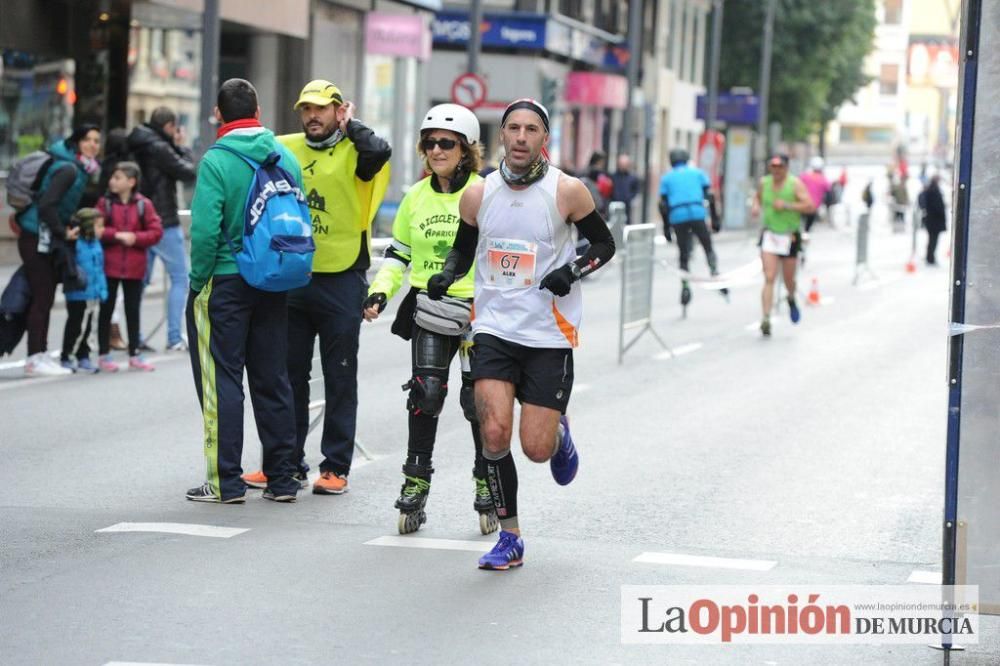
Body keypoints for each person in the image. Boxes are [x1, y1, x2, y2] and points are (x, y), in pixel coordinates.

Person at [427, 99, 616, 570]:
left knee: (534, 448)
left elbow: (606, 244)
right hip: (493, 327)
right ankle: (509, 536)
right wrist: (446, 275)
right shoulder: (478, 193)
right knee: (493, 433)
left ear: (543, 139)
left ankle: (559, 435)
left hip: (549, 333)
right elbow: (464, 249)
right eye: (513, 128)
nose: (521, 137)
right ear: (502, 136)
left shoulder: (567, 191)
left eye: (532, 129)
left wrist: (571, 272)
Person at [240, 79, 391, 496]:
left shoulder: (358, 153)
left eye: (322, 109)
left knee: (340, 375)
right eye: (306, 109)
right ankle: (283, 463)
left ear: (338, 111)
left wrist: (352, 124)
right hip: (294, 276)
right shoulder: (287, 146)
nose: (312, 116)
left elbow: (381, 151)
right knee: (287, 375)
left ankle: (335, 466)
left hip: (342, 276)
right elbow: (247, 146)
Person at [362, 103, 498, 535]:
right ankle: (416, 484)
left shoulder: (485, 193)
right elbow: (399, 252)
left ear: (466, 149)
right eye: (430, 143)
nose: (436, 150)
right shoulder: (415, 197)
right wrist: (381, 290)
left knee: (477, 403)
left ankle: (487, 484)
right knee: (426, 394)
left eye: (446, 143)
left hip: (480, 308)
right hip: (430, 308)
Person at [184, 78, 304, 504]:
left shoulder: (217, 160)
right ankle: (283, 479)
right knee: (273, 379)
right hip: (273, 279)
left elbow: (204, 230)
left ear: (219, 113)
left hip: (226, 281)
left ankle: (226, 482)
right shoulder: (284, 155)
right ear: (258, 109)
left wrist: (198, 282)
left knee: (223, 381)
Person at [14, 124, 101, 376]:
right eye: (88, 140)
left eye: (97, 141)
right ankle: (34, 358)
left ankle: (40, 354)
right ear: (77, 142)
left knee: (44, 296)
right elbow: (47, 206)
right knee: (42, 297)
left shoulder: (75, 168)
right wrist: (63, 232)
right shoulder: (69, 169)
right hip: (37, 237)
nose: (94, 145)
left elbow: (57, 206)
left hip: (42, 236)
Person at [129, 106, 198, 352]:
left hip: (141, 219)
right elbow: (188, 171)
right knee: (181, 278)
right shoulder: (160, 147)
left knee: (140, 281)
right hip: (163, 220)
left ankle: (134, 336)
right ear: (169, 126)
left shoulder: (139, 142)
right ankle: (174, 337)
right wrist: (182, 147)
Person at [96, 162, 162, 371]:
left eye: (118, 177)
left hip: (135, 267)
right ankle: (103, 354)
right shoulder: (104, 203)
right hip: (109, 266)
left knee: (132, 310)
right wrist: (115, 235)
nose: (112, 181)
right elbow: (96, 230)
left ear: (131, 182)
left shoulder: (144, 205)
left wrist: (135, 237)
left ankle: (135, 353)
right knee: (105, 310)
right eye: (113, 177)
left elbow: (155, 232)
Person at [751, 153, 815, 337]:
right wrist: (755, 207)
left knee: (788, 280)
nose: (776, 171)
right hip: (770, 234)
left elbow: (810, 206)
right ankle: (765, 318)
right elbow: (757, 197)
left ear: (786, 168)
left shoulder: (795, 184)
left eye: (780, 167)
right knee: (769, 277)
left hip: (789, 236)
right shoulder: (765, 182)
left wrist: (787, 205)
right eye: (773, 167)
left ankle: (791, 297)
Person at [658, 148, 725, 308]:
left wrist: (666, 228)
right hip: (696, 212)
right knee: (707, 244)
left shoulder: (667, 178)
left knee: (683, 253)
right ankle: (714, 270)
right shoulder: (698, 173)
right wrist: (715, 219)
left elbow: (663, 205)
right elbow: (709, 196)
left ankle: (685, 285)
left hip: (677, 215)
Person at [60, 208, 108, 373]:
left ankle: (83, 356)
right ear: (88, 227)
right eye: (99, 226)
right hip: (78, 292)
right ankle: (67, 356)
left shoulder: (96, 244)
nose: (102, 230)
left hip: (92, 293)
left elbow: (100, 269)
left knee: (88, 327)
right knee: (75, 325)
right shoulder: (75, 244)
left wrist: (102, 289)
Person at [919, 174, 947, 265]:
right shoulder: (933, 191)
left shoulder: (931, 190)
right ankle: (930, 258)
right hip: (934, 221)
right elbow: (936, 206)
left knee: (932, 240)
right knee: (933, 241)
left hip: (932, 221)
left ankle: (930, 257)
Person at [799, 156, 831, 233]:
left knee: (799, 228)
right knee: (807, 230)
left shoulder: (804, 176)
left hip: (801, 206)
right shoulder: (824, 180)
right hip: (813, 208)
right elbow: (829, 194)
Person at [610, 154, 641, 224]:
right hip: (614, 205)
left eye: (625, 164)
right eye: (621, 164)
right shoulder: (613, 177)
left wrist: (630, 198)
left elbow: (636, 191)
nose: (623, 166)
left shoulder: (633, 178)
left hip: (627, 206)